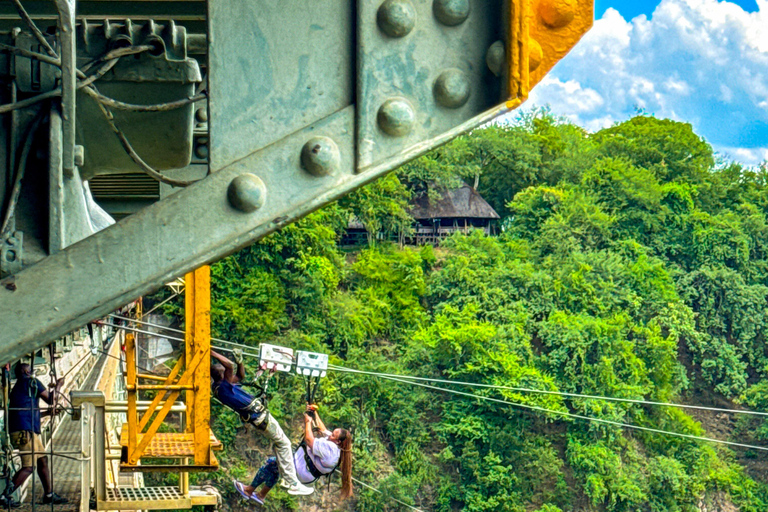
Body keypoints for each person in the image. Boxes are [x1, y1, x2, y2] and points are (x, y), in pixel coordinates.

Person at [209, 350, 312, 496]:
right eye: (224, 371)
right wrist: (212, 351)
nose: (230, 375)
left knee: (280, 445)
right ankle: (292, 482)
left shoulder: (221, 387)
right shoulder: (223, 387)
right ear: (221, 375)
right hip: (260, 417)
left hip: (259, 417)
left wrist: (240, 363)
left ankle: (287, 479)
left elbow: (240, 375)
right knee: (284, 444)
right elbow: (229, 365)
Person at [234, 406, 353, 505]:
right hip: (305, 470)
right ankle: (261, 495)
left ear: (338, 442)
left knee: (272, 462)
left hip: (302, 470)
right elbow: (323, 430)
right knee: (275, 469)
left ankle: (248, 490)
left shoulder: (331, 451)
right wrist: (314, 413)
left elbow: (309, 440)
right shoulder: (335, 444)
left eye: (333, 435)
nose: (330, 435)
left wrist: (308, 422)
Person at [0, 363, 67, 507]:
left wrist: (48, 413)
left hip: (25, 430)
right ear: (25, 371)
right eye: (29, 369)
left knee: (42, 460)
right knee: (28, 467)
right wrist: (59, 385)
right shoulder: (32, 382)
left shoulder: (17, 388)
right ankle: (4, 496)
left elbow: (26, 412)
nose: (32, 371)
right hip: (26, 432)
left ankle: (48, 495)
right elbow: (51, 399)